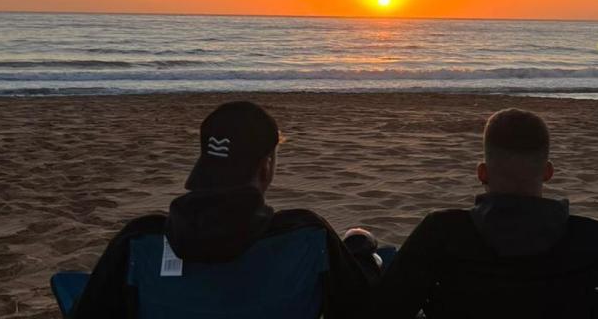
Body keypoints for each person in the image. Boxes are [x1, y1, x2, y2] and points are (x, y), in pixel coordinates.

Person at [71, 101, 377, 318]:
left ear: (205, 161)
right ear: (266, 166)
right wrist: (360, 253)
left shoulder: (140, 239)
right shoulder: (307, 233)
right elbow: (364, 308)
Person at [375, 108, 598, 319]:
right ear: (548, 172)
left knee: (384, 257)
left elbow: (390, 308)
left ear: (482, 173)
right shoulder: (591, 236)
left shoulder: (441, 231)